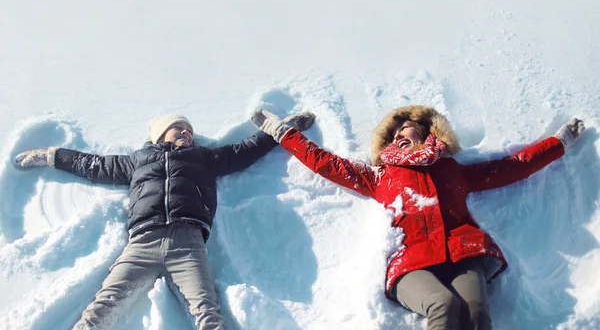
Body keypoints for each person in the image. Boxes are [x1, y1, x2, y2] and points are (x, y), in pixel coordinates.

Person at [251, 105, 585, 330]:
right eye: (394, 133)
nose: (399, 134)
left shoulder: (451, 169)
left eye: (406, 129)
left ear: (427, 134)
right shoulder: (380, 176)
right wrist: (281, 131)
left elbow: (512, 167)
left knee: (476, 311)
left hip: (463, 251)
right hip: (411, 263)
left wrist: (559, 143)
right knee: (443, 305)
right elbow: (324, 162)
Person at [14, 112, 315, 330]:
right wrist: (49, 155)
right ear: (160, 135)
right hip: (142, 243)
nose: (186, 133)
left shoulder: (204, 158)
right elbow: (92, 164)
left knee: (207, 315)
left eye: (188, 130)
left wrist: (283, 128)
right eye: (178, 129)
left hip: (188, 245)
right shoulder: (137, 161)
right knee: (102, 308)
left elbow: (246, 150)